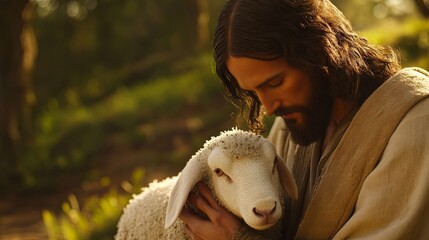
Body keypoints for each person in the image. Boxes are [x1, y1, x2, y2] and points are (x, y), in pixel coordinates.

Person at [179, 0, 429, 239]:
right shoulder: (290, 127)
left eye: (275, 82)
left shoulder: (415, 124)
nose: (268, 106)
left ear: (319, 50)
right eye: (254, 92)